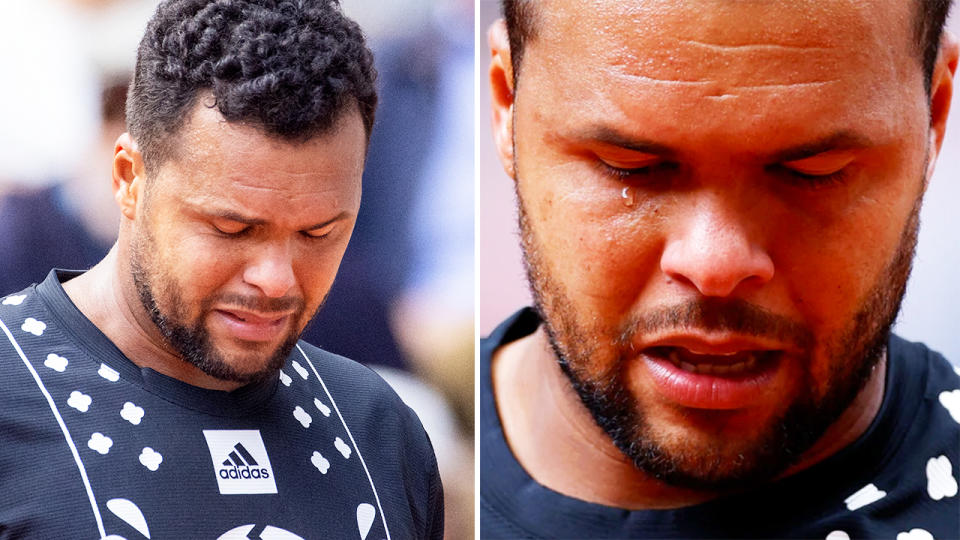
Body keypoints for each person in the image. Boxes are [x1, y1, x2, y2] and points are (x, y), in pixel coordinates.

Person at [481, 0, 960, 538]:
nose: (715, 265)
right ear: (507, 104)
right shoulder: (406, 463)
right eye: (630, 167)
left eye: (810, 172)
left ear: (935, 114)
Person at [0, 0, 443, 537]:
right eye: (232, 229)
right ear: (129, 179)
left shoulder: (381, 430)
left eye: (319, 233)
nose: (276, 279)